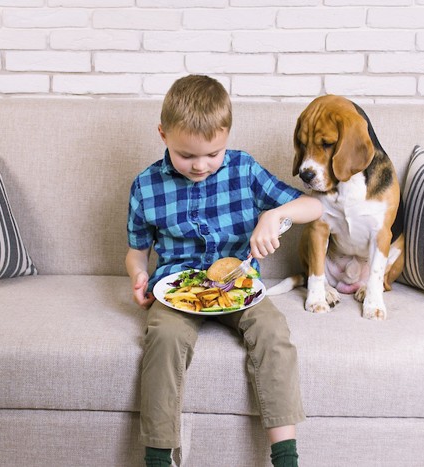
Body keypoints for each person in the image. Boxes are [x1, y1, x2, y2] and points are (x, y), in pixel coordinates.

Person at [125, 75, 323, 467]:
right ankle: (158, 459)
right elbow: (136, 251)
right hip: (175, 288)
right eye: (186, 155)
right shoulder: (146, 186)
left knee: (272, 330)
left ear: (227, 136)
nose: (200, 165)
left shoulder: (244, 169)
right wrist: (138, 275)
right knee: (163, 338)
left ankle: (286, 458)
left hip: (239, 284)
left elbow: (315, 208)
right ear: (163, 134)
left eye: (213, 154)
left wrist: (276, 214)